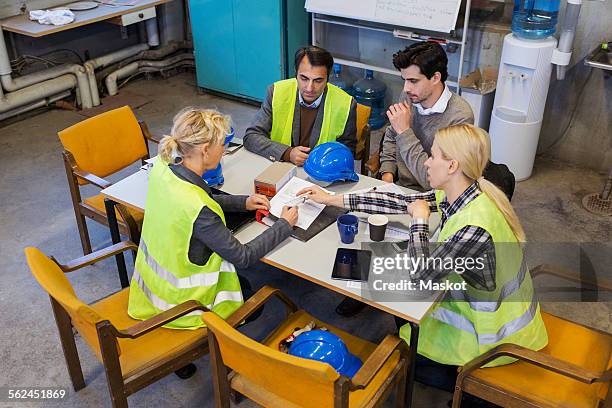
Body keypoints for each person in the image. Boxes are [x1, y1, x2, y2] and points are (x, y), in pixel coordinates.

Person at [299, 124, 548, 393]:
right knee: (391, 292)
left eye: (433, 155)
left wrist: (419, 220)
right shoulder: (466, 193)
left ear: (452, 166)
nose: (426, 163)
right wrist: (334, 199)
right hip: (471, 310)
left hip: (491, 343)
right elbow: (396, 202)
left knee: (402, 351)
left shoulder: (475, 226)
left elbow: (421, 277)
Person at [128, 107, 298, 378]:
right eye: (223, 144)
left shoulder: (164, 168)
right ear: (205, 150)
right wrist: (284, 225)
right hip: (186, 305)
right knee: (253, 294)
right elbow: (242, 256)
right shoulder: (200, 210)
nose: (225, 149)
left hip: (151, 289)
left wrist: (242, 202)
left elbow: (198, 197)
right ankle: (216, 347)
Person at [379, 42, 474, 190]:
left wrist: (405, 133)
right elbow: (392, 135)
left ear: (435, 77)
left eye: (413, 81)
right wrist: (387, 174)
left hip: (432, 196)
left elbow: (435, 183)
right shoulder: (409, 96)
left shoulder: (460, 117)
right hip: (399, 187)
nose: (406, 88)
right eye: (404, 80)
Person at [243, 46, 357, 166]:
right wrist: (288, 153)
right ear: (295, 73)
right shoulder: (276, 92)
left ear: (328, 78)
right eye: (304, 78)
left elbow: (347, 153)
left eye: (318, 81)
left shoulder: (346, 104)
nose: (309, 88)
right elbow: (251, 137)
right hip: (280, 165)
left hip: (321, 174)